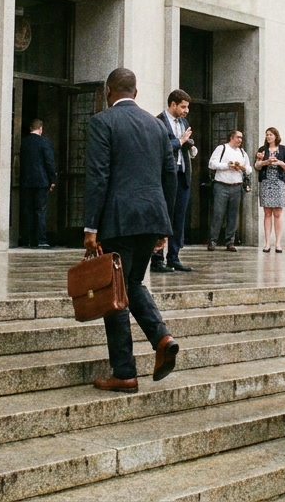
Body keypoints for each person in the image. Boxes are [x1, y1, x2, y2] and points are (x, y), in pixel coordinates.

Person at [84, 67, 180, 393]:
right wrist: (163, 224)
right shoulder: (157, 126)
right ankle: (162, 337)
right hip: (151, 219)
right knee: (133, 282)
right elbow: (171, 176)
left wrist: (90, 227)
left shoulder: (102, 122)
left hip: (118, 221)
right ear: (135, 93)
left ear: (108, 90)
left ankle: (124, 372)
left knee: (115, 293)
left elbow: (97, 176)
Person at [154, 90, 197, 272]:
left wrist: (189, 144)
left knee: (179, 218)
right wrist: (180, 141)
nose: (186, 110)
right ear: (173, 104)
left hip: (182, 174)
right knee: (164, 217)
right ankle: (157, 259)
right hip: (166, 177)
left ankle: (174, 256)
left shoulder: (184, 122)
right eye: (183, 107)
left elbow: (185, 142)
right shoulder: (158, 122)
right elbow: (161, 147)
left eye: (187, 107)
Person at [207, 129, 250, 252]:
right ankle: (212, 240)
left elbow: (249, 169)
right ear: (231, 137)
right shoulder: (222, 148)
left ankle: (230, 241)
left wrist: (242, 168)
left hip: (236, 186)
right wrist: (227, 165)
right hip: (222, 185)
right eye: (238, 137)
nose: (240, 140)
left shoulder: (242, 152)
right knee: (218, 213)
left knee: (233, 215)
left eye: (241, 138)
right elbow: (211, 164)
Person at [17, 118, 56, 249]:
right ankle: (41, 240)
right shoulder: (45, 142)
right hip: (41, 181)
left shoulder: (24, 142)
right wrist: (52, 179)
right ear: (40, 128)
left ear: (30, 128)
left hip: (26, 181)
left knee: (27, 211)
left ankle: (27, 239)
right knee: (40, 211)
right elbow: (49, 162)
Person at [255, 127, 285, 253]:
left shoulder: (284, 149)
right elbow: (257, 166)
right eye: (267, 135)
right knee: (267, 213)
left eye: (271, 134)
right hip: (266, 182)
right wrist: (265, 161)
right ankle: (267, 243)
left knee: (277, 213)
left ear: (276, 136)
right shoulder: (262, 150)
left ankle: (278, 243)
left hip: (279, 182)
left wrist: (280, 162)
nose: (268, 137)